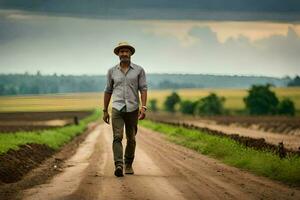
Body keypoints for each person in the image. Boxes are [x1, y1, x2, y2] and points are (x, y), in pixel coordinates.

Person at [103, 42, 148, 177]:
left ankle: (128, 164)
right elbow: (108, 90)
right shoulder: (111, 71)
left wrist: (143, 107)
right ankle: (119, 165)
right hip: (117, 108)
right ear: (118, 54)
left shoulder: (139, 70)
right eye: (121, 51)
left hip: (133, 108)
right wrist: (105, 110)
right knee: (117, 137)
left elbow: (143, 89)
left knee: (131, 138)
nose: (124, 54)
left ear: (130, 54)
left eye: (126, 51)